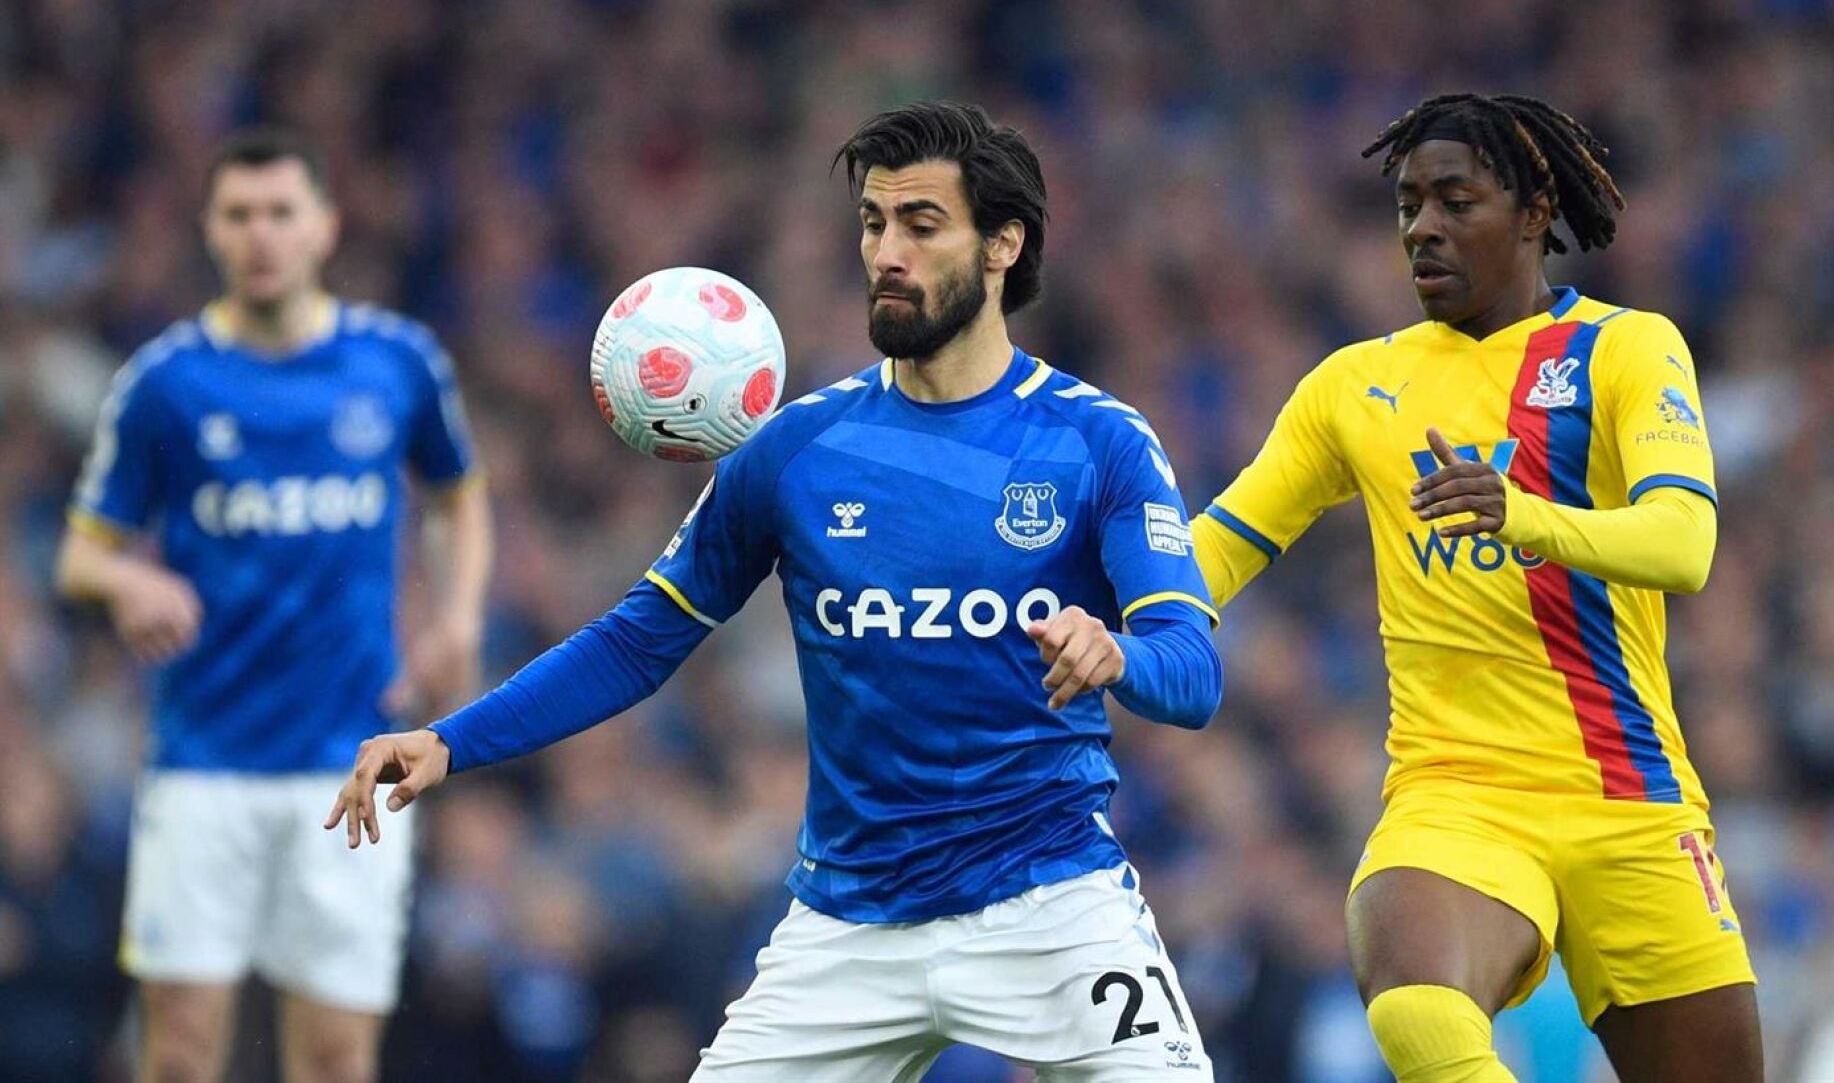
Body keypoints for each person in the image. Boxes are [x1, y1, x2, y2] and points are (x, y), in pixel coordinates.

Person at [328, 101, 1223, 1080]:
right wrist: (453, 740)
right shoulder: (793, 451)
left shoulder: (1098, 443)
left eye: (921, 226)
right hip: (848, 923)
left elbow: (1191, 670)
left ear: (1003, 244)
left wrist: (1119, 655)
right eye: (874, 224)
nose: (887, 251)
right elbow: (637, 643)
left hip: (1050, 903)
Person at [1190, 93, 1761, 1083]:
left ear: (1535, 208)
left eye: (1455, 200)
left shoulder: (1625, 348)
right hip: (1457, 795)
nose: (1421, 226)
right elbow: (1224, 543)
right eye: (1408, 203)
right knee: (1411, 991)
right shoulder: (1354, 386)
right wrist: (1099, 612)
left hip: (1628, 795)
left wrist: (1521, 513)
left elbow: (1684, 543)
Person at [56, 129, 493, 1083]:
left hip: (352, 764)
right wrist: (130, 578)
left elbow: (459, 496)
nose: (261, 235)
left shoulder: (398, 363)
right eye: (239, 214)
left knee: (336, 1057)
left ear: (325, 226)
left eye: (281, 212)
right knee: (177, 1052)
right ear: (211, 230)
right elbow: (80, 554)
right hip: (202, 762)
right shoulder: (165, 384)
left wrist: (456, 618)